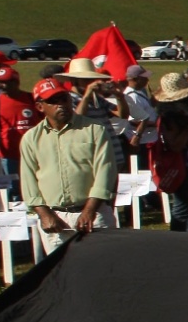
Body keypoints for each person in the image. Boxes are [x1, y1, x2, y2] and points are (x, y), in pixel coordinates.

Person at [18, 76, 116, 254]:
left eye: (64, 98)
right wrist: (45, 214)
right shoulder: (31, 138)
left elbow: (105, 172)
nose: (60, 104)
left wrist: (89, 211)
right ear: (40, 106)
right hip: (56, 217)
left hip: (94, 212)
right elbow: (28, 180)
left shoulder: (94, 129)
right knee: (61, 274)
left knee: (101, 270)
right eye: (53, 101)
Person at [149, 73, 188, 231]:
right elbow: (175, 145)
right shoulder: (171, 118)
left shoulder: (183, 115)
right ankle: (177, 238)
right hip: (182, 166)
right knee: (182, 209)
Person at [0, 64, 36, 186]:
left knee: (34, 185)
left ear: (15, 82)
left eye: (4, 82)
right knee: (14, 189)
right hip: (9, 155)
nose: (1, 86)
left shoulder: (31, 99)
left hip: (33, 153)